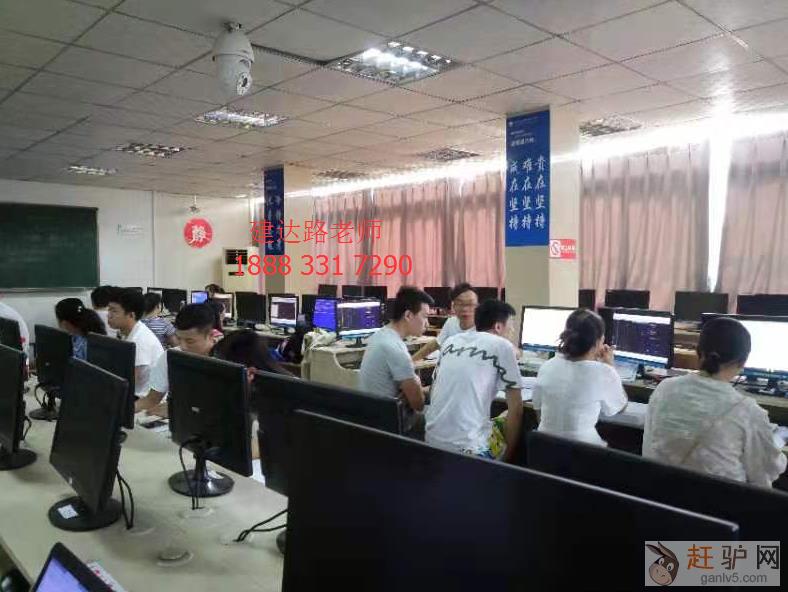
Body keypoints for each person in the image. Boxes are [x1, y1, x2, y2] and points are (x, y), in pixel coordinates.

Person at [643, 317, 787, 487]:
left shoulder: (664, 388)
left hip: (657, 496)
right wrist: (777, 440)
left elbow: (648, 450)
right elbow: (765, 472)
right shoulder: (747, 411)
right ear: (743, 362)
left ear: (698, 352)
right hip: (718, 502)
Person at [426, 300, 523, 461]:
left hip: (431, 442)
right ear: (498, 327)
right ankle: (503, 468)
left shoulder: (451, 342)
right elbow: (517, 409)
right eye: (511, 325)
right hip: (470, 452)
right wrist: (506, 461)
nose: (512, 331)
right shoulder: (502, 345)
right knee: (513, 415)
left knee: (495, 417)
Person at [532, 308, 628, 446]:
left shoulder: (547, 366)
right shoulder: (603, 372)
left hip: (543, 447)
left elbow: (538, 411)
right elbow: (620, 407)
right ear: (598, 341)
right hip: (583, 452)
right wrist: (609, 365)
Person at [359, 286, 434, 438]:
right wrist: (417, 384)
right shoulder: (396, 349)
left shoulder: (380, 335)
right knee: (440, 420)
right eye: (425, 317)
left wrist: (417, 386)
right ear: (408, 315)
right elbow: (418, 404)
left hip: (371, 417)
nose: (427, 323)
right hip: (390, 425)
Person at [136, 303, 217, 417]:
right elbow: (152, 399)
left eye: (190, 341)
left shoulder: (226, 360)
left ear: (211, 335)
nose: (182, 346)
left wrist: (179, 410)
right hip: (178, 421)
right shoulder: (171, 356)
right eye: (179, 338)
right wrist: (121, 412)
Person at [107, 288, 164, 400]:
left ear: (131, 315)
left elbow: (127, 382)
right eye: (109, 310)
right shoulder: (126, 332)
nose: (109, 315)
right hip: (134, 392)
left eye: (114, 311)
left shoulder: (140, 340)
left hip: (143, 398)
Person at [412, 283, 478, 361]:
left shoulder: (485, 327)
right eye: (460, 304)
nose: (465, 309)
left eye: (470, 304)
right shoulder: (451, 322)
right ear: (453, 306)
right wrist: (411, 360)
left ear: (477, 305)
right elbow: (435, 344)